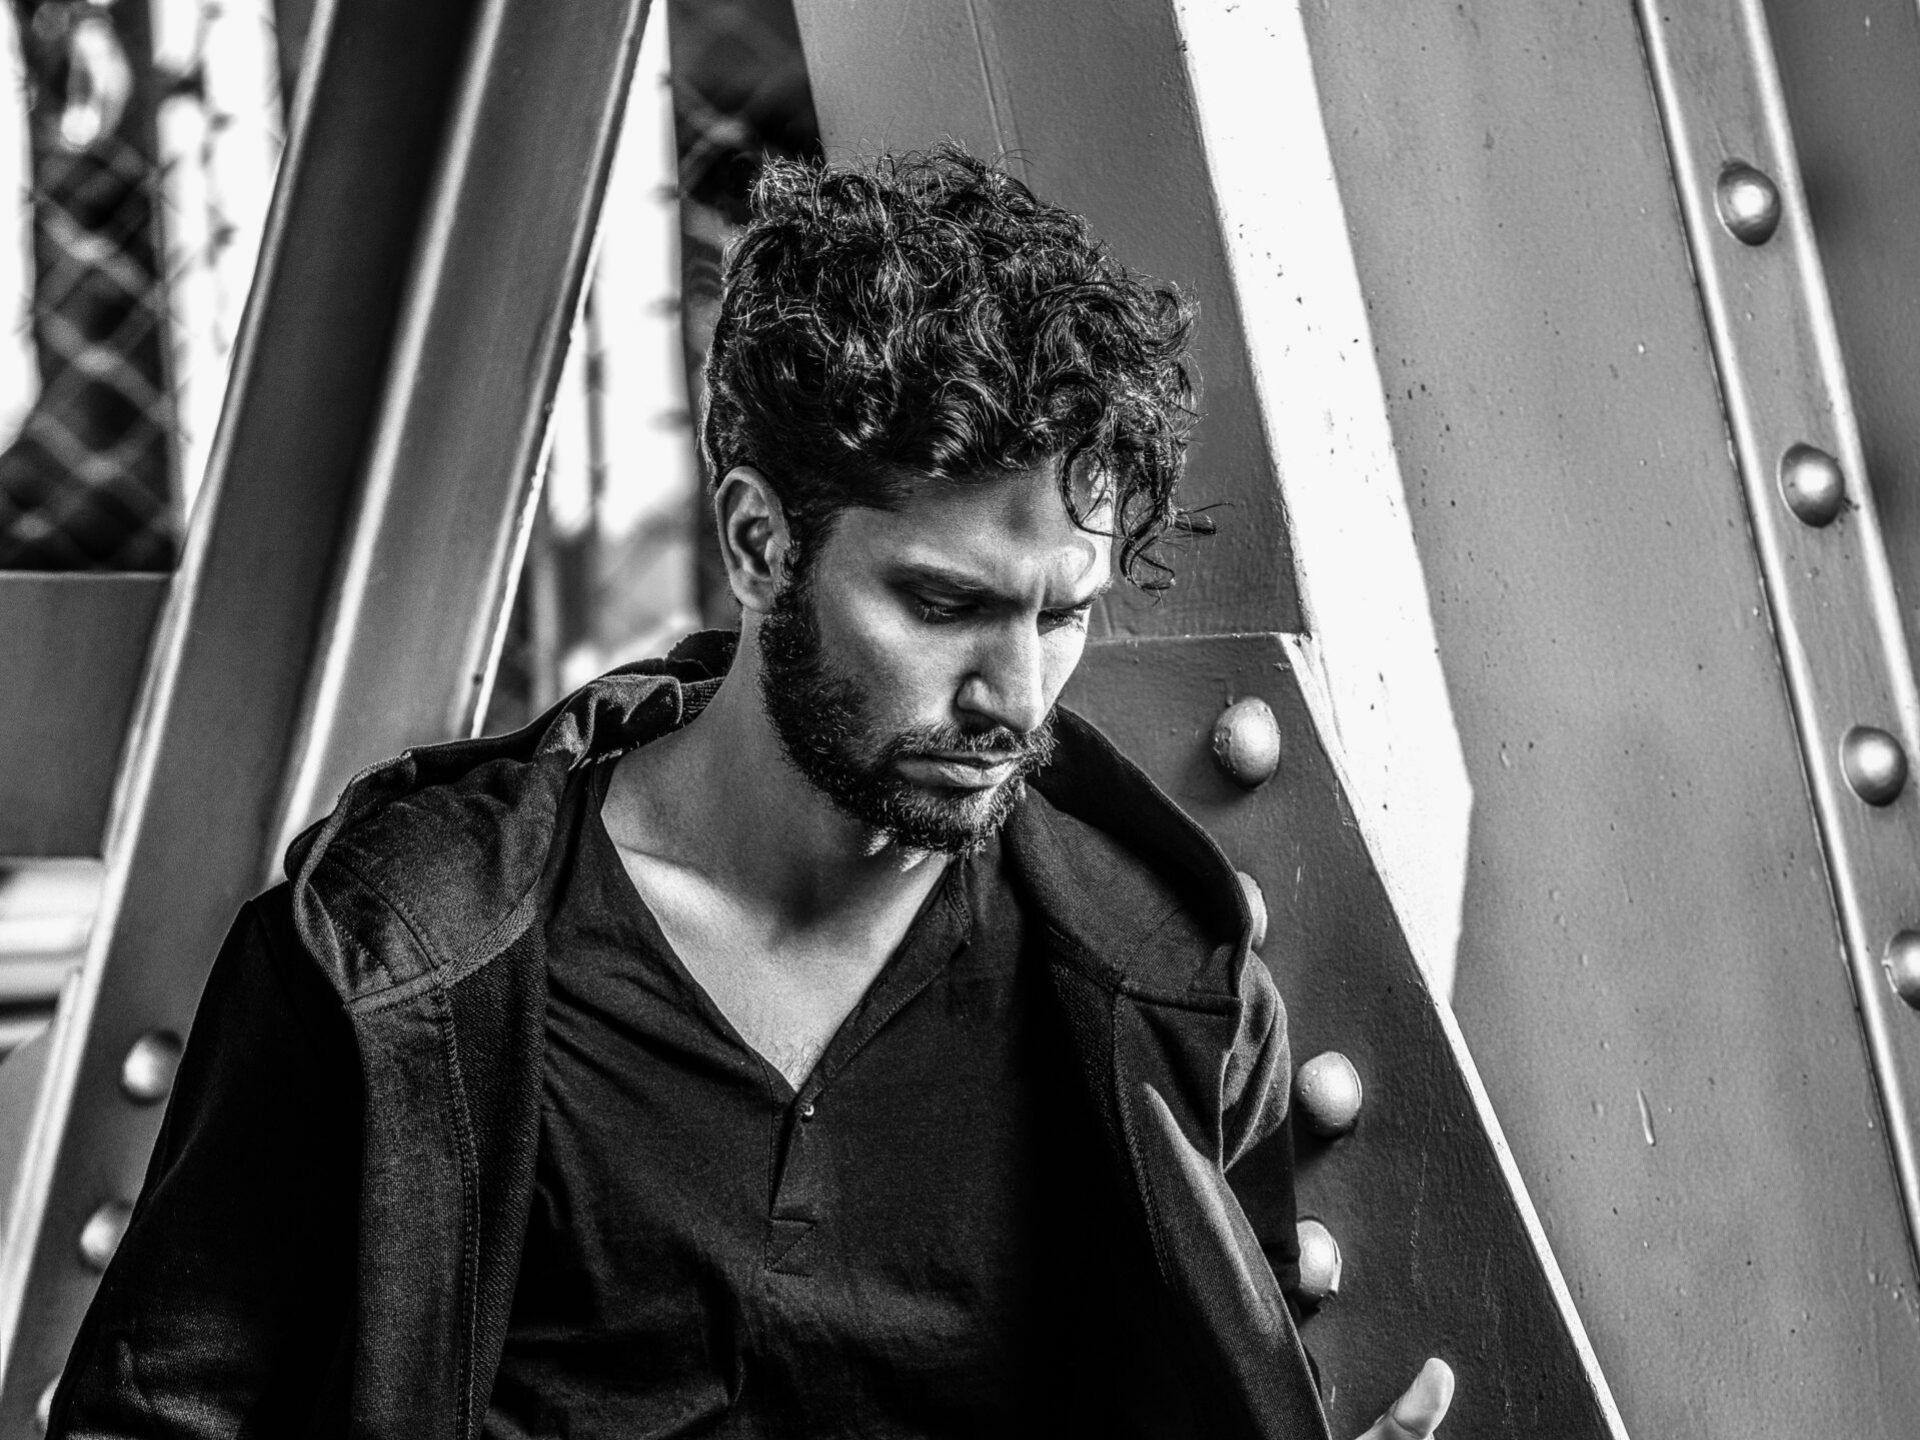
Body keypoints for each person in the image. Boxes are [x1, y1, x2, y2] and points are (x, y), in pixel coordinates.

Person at [49, 147, 1455, 1439]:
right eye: (942, 603)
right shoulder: (391, 964)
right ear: (757, 540)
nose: (1016, 696)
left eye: (1060, 615)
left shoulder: (1169, 993)